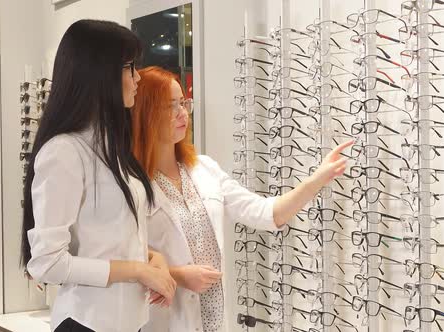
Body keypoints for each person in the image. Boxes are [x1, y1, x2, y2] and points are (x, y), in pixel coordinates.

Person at [130, 66, 352, 332]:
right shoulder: (132, 182)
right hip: (165, 319)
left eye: (183, 103)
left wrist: (317, 179)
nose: (182, 113)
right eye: (170, 106)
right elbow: (124, 257)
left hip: (215, 316)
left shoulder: (204, 168)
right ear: (145, 114)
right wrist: (178, 276)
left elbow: (266, 213)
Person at [20, 20, 176, 332]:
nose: (138, 77)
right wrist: (137, 271)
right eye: (129, 67)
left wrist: (150, 259)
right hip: (86, 322)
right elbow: (47, 263)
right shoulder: (64, 152)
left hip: (131, 322)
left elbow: (103, 239)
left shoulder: (113, 149)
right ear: (97, 73)